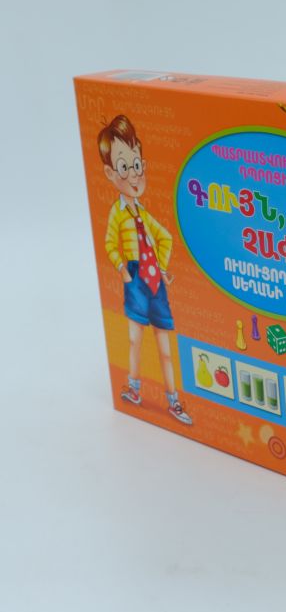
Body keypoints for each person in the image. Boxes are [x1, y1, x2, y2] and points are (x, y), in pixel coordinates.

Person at [99, 115, 192, 425]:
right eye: (124, 166)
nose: (134, 174)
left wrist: (161, 268)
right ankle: (134, 389)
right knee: (135, 339)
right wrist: (123, 270)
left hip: (155, 282)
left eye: (137, 164)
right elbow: (109, 243)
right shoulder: (118, 213)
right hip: (136, 280)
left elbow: (165, 238)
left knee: (165, 348)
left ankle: (174, 401)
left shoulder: (143, 213)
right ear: (110, 173)